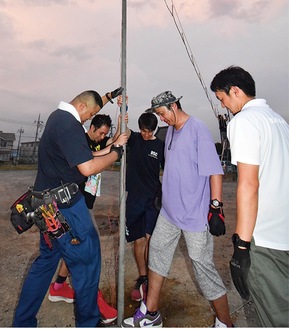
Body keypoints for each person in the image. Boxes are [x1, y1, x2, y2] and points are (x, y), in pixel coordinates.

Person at [13, 88, 128, 327]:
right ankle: (87, 323)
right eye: (89, 115)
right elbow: (87, 168)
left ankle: (22, 323)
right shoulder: (70, 126)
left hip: (46, 208)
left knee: (45, 263)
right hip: (66, 209)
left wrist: (113, 141)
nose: (87, 120)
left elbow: (86, 157)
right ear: (83, 108)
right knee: (87, 264)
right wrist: (116, 154)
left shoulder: (58, 117)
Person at [122, 91, 233, 328]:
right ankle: (151, 313)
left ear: (174, 106)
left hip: (194, 215)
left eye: (163, 113)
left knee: (202, 267)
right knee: (158, 254)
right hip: (169, 212)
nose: (162, 119)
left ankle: (225, 322)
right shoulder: (171, 131)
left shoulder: (198, 129)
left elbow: (214, 170)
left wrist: (216, 207)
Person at [210, 66, 289, 327]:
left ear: (235, 91)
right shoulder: (279, 121)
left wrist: (241, 247)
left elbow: (248, 185)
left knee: (275, 317)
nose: (225, 106)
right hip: (284, 233)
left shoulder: (244, 122)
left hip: (265, 241)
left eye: (223, 99)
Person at [48, 113, 128, 324]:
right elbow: (105, 151)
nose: (102, 135)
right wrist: (113, 148)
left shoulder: (98, 141)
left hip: (86, 202)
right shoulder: (80, 141)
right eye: (100, 132)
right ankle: (92, 300)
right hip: (76, 204)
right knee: (87, 251)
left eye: (105, 133)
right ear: (91, 127)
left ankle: (59, 285)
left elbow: (114, 142)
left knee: (72, 248)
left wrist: (121, 117)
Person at [118, 96, 164, 302]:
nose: (146, 135)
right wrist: (123, 109)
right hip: (134, 199)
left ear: (155, 129)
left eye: (150, 131)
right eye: (144, 130)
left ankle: (152, 281)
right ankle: (143, 277)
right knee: (138, 241)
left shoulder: (161, 147)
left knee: (150, 240)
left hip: (153, 200)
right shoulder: (134, 139)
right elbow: (123, 130)